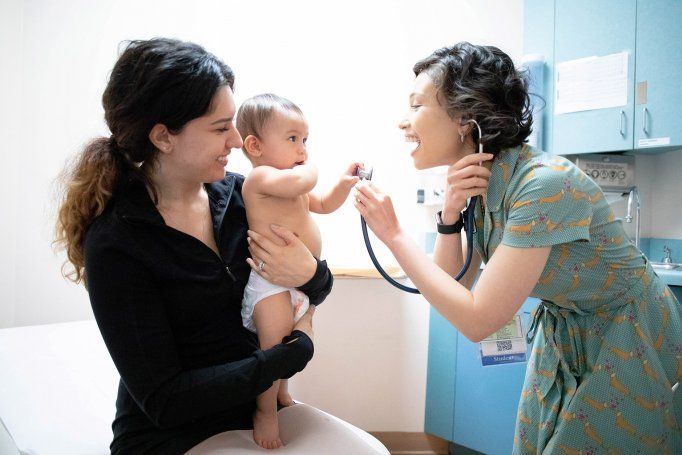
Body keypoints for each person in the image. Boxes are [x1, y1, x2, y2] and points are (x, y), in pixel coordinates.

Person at [53, 38, 385, 455]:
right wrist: (288, 356)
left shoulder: (239, 197)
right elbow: (165, 401)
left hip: (252, 416)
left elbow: (308, 284)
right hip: (172, 437)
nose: (237, 140)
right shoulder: (117, 243)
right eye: (220, 127)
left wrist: (313, 276)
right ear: (163, 137)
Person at [353, 42, 681, 454]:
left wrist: (393, 234)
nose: (403, 122)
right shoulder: (481, 182)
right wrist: (450, 214)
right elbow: (454, 284)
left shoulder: (543, 184)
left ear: (465, 118)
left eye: (417, 105)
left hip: (628, 328)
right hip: (565, 327)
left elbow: (478, 320)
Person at [235, 93, 361, 448]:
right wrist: (311, 169)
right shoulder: (260, 179)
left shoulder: (293, 183)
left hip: (297, 282)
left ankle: (281, 392)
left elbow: (322, 203)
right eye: (292, 139)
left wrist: (343, 184)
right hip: (270, 283)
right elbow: (303, 183)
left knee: (291, 340)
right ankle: (264, 411)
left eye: (305, 140)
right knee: (273, 348)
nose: (302, 149)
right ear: (255, 146)